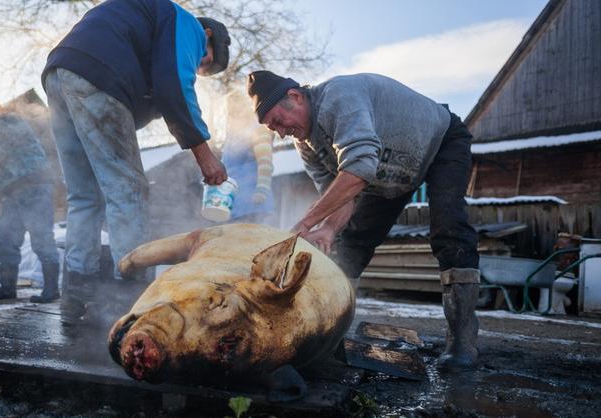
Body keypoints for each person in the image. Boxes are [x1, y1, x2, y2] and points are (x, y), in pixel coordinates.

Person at [247, 70, 480, 370]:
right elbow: (342, 194)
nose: (280, 132)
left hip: (440, 142)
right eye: (272, 129)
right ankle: (329, 334)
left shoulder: (338, 97)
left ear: (294, 97)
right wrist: (328, 229)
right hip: (388, 172)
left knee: (449, 228)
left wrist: (306, 223)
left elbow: (357, 171)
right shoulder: (305, 145)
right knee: (351, 244)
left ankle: (462, 341)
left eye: (278, 121)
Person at [41, 0, 230, 324]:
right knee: (128, 187)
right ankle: (130, 294)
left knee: (85, 196)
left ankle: (76, 293)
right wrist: (205, 156)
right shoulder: (185, 23)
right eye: (206, 61)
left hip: (59, 74)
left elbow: (143, 103)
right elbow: (175, 86)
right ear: (208, 34)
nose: (199, 69)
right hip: (97, 75)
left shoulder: (144, 27)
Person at [0, 91, 60, 303]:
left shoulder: (9, 122)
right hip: (13, 191)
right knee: (6, 238)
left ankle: (52, 290)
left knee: (42, 238)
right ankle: (8, 289)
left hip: (34, 187)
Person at [221, 90, 275, 224]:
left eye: (236, 108)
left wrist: (261, 190)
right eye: (230, 110)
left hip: (254, 206)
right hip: (233, 208)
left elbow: (265, 163)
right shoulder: (231, 138)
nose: (233, 113)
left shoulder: (257, 129)